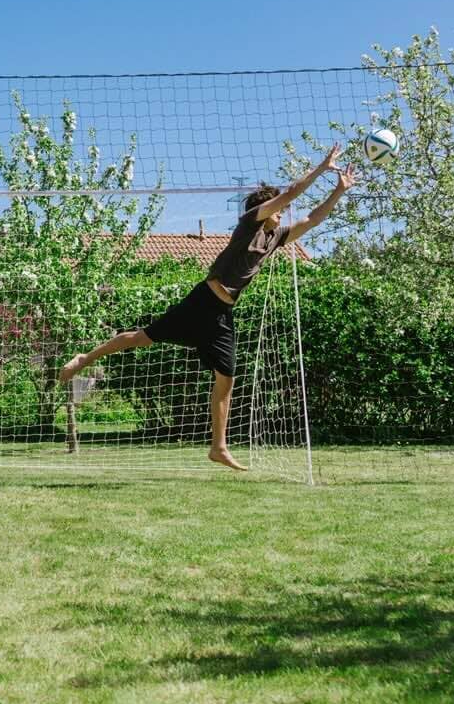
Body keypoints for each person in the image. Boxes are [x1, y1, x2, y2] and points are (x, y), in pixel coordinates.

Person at [58, 145, 355, 471]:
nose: (283, 213)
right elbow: (293, 192)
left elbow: (312, 220)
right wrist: (322, 167)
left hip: (221, 316)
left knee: (226, 380)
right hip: (201, 303)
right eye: (278, 209)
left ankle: (219, 448)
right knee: (139, 338)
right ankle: (83, 360)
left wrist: (339, 191)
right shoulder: (249, 224)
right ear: (264, 208)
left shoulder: (276, 238)